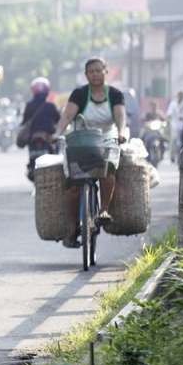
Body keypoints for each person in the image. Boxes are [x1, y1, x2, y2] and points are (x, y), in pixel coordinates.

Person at [52, 57, 127, 248]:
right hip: (82, 139)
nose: (95, 74)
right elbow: (67, 116)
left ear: (105, 71)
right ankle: (71, 228)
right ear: (86, 75)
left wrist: (121, 133)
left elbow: (120, 117)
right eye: (91, 71)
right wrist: (58, 133)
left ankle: (103, 210)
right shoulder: (79, 94)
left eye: (98, 70)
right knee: (73, 187)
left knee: (108, 171)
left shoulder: (116, 94)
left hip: (107, 139)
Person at [21, 76, 60, 181]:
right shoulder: (50, 106)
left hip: (33, 137)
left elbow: (24, 121)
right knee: (56, 150)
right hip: (48, 136)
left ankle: (31, 167)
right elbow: (58, 120)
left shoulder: (29, 105)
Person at [166, 90, 183, 162]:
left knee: (182, 141)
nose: (180, 97)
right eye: (179, 95)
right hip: (174, 124)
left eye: (182, 96)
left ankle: (182, 155)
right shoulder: (173, 104)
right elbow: (169, 113)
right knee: (173, 141)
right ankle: (172, 156)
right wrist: (169, 117)